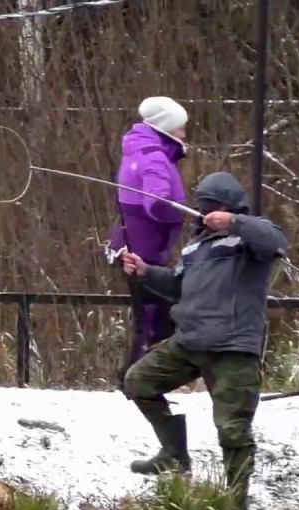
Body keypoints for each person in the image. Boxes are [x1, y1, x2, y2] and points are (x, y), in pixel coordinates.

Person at [118, 170, 289, 510]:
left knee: (233, 430)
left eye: (216, 208)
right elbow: (178, 287)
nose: (208, 213)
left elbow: (275, 241)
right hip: (188, 341)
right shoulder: (194, 247)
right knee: (139, 381)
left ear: (230, 208)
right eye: (205, 208)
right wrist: (146, 272)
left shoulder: (248, 239)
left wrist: (235, 222)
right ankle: (174, 455)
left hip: (233, 347)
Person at [107, 96, 191, 389]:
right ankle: (135, 382)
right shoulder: (154, 156)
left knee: (152, 317)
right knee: (155, 319)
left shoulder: (137, 149)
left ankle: (140, 379)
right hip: (144, 252)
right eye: (181, 128)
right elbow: (156, 202)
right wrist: (185, 213)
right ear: (167, 127)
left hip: (133, 245)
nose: (184, 134)